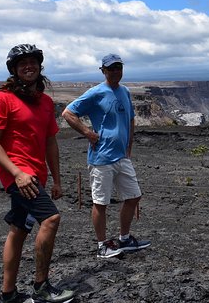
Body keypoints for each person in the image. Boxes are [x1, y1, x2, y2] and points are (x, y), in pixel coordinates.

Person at [0, 44, 75, 303]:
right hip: (19, 176)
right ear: (14, 69)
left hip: (37, 175)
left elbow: (50, 142)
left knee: (18, 230)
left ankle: (9, 294)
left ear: (39, 65)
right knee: (51, 219)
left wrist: (56, 179)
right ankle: (41, 287)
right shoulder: (2, 98)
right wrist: (16, 174)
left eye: (32, 61)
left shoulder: (45, 102)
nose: (28, 66)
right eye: (22, 63)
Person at [62, 53, 150, 259]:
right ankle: (102, 245)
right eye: (111, 68)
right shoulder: (96, 93)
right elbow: (67, 113)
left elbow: (130, 119)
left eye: (118, 67)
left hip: (121, 157)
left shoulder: (125, 92)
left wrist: (129, 146)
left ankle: (125, 239)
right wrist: (87, 133)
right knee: (101, 202)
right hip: (101, 158)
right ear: (103, 71)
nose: (115, 71)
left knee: (133, 196)